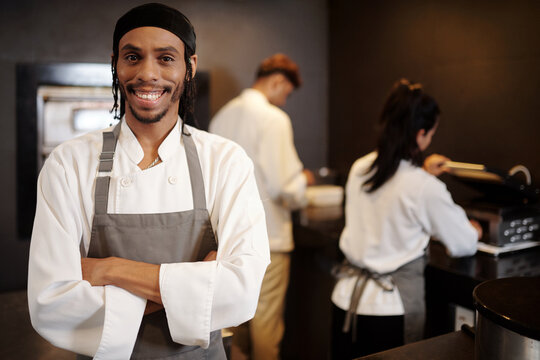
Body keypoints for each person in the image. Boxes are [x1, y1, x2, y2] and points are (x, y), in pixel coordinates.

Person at [27, 3, 270, 359]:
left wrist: (110, 270)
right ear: (116, 64)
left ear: (190, 67)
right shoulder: (69, 164)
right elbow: (51, 302)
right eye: (133, 56)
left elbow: (242, 291)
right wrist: (195, 284)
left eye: (166, 58)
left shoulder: (226, 161)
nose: (147, 73)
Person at [330, 79, 482, 359]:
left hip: (344, 301)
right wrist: (474, 230)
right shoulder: (423, 187)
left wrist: (421, 172)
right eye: (431, 134)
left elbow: (392, 189)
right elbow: (463, 244)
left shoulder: (361, 167)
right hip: (389, 311)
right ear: (421, 134)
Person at [209, 53, 314, 360]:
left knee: (235, 322)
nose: (284, 100)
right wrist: (303, 184)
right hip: (269, 238)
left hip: (227, 237)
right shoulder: (273, 119)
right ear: (277, 81)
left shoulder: (222, 117)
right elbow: (285, 187)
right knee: (267, 324)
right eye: (286, 93)